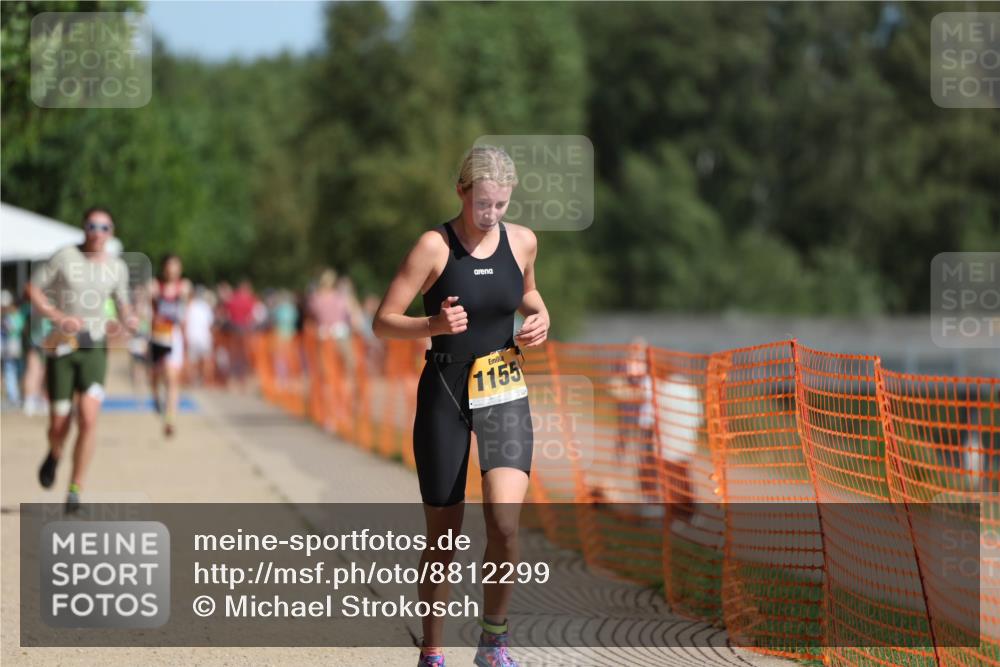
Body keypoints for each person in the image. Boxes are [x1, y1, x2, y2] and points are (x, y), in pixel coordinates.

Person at [373, 145, 550, 667]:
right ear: (462, 191)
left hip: (503, 388)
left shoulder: (523, 242)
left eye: (501, 205)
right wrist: (432, 325)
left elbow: (529, 295)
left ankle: (493, 642)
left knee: (505, 521)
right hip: (446, 391)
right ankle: (432, 648)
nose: (491, 215)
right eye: (483, 204)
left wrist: (541, 318)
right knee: (444, 533)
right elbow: (382, 320)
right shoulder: (433, 247)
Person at [26, 206, 137, 512]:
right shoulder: (65, 257)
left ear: (111, 232)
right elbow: (33, 289)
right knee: (59, 424)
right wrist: (57, 316)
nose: (98, 232)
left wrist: (130, 318)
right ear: (83, 228)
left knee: (88, 418)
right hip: (62, 346)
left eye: (104, 227)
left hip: (94, 347)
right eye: (92, 225)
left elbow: (123, 302)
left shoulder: (117, 267)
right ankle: (55, 452)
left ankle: (75, 488)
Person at [148, 254, 191, 437]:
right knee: (157, 375)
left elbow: (184, 313)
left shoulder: (184, 286)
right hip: (158, 334)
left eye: (175, 266)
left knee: (172, 376)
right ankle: (157, 397)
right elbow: (149, 310)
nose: (172, 270)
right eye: (169, 266)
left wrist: (185, 336)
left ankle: (170, 417)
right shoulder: (155, 285)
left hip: (173, 335)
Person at [184, 286, 215, 386]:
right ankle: (202, 380)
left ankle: (194, 380)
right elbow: (210, 324)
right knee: (204, 360)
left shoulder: (190, 306)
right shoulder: (205, 306)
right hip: (204, 337)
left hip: (192, 336)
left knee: (193, 361)